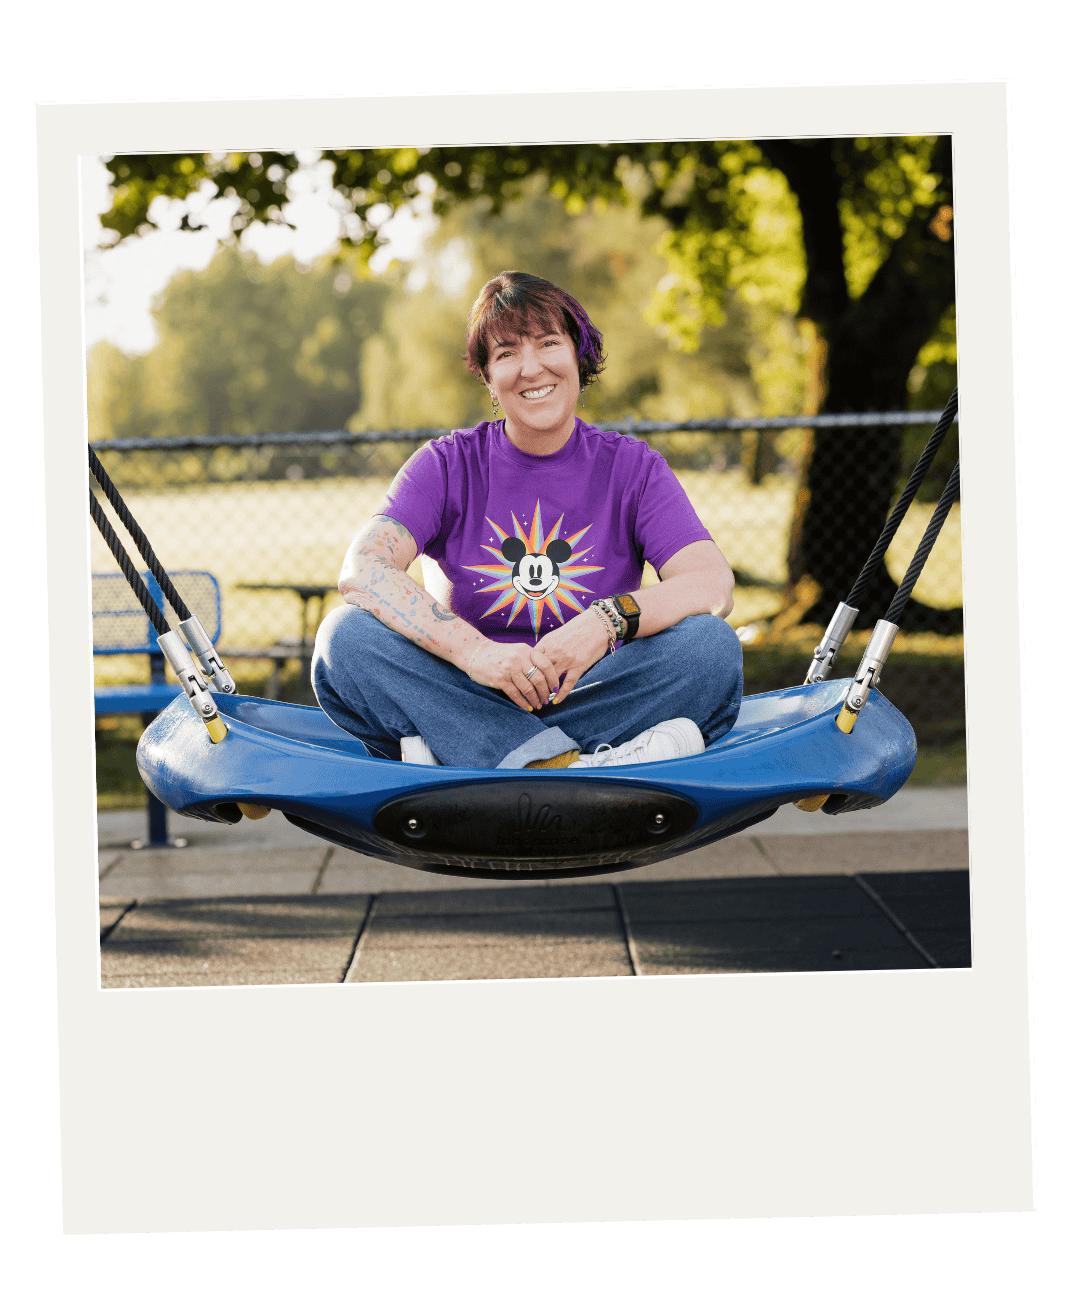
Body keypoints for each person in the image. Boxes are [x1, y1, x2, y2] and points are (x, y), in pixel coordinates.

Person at [312, 270, 743, 770]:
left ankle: (480, 753)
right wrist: (477, 654)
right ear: (488, 377)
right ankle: (581, 763)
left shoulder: (634, 468)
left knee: (711, 649)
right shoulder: (446, 464)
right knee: (345, 639)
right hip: (465, 691)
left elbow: (712, 582)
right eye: (506, 353)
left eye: (548, 342)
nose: (531, 367)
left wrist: (605, 623)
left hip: (593, 691)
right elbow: (364, 568)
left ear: (578, 355)